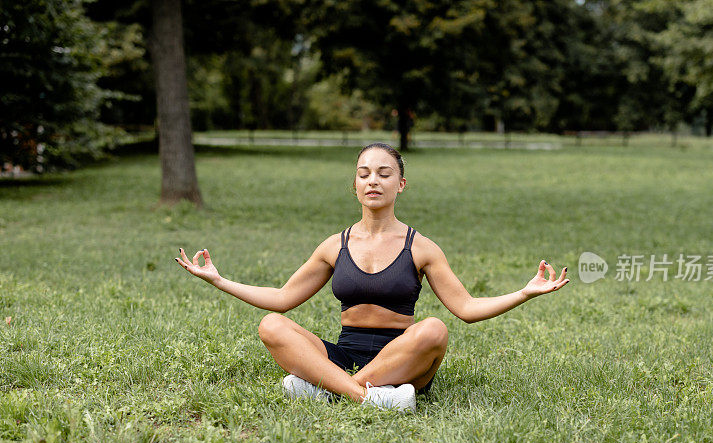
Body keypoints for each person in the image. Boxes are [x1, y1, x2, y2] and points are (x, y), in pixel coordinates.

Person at [175, 143, 569, 412]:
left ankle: (325, 389)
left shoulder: (422, 247)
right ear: (355, 185)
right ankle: (369, 397)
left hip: (402, 360)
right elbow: (282, 298)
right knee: (271, 325)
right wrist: (219, 280)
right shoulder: (334, 244)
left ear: (400, 184)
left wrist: (525, 292)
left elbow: (465, 308)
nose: (373, 181)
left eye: (384, 174)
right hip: (343, 355)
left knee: (434, 329)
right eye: (364, 174)